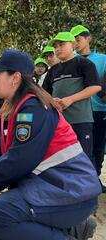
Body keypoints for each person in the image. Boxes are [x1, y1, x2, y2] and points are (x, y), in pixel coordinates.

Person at [0, 49, 101, 240]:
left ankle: (68, 232)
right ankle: (75, 228)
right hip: (54, 186)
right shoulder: (13, 107)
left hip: (71, 191)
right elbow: (1, 152)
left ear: (15, 78)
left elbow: (20, 160)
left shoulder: (33, 108)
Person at [42, 32, 101, 161]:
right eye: (56, 46)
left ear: (73, 45)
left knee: (84, 158)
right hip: (59, 122)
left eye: (62, 44)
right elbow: (43, 93)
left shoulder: (84, 63)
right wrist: (52, 101)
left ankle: (89, 181)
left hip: (81, 120)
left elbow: (95, 87)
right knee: (61, 159)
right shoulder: (53, 70)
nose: (57, 49)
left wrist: (70, 99)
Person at [71, 24, 106, 192]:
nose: (76, 44)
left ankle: (95, 179)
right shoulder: (70, 61)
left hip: (99, 110)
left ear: (88, 38)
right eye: (73, 41)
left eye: (78, 40)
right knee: (81, 149)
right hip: (78, 113)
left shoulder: (102, 59)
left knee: (98, 147)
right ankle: (84, 182)